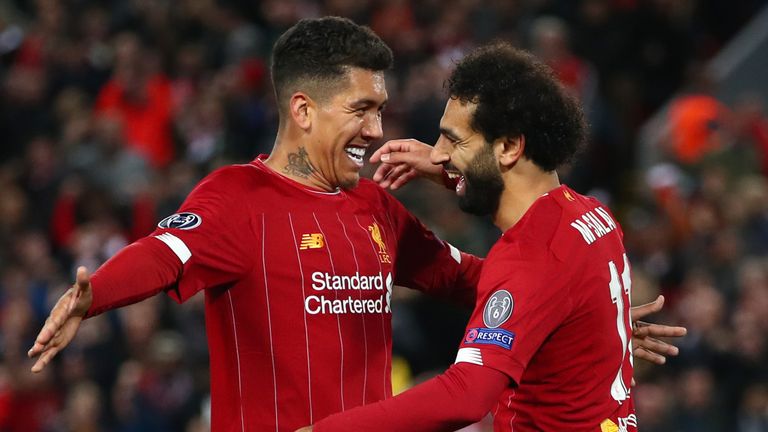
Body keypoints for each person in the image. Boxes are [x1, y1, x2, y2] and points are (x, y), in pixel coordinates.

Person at [30, 18, 681, 432]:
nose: (377, 130)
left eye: (381, 109)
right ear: (304, 110)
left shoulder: (375, 208)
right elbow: (163, 252)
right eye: (362, 109)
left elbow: (473, 280)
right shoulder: (237, 198)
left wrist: (582, 313)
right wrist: (96, 296)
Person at [301, 43, 664, 431]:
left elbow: (466, 394)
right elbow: (531, 286)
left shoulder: (531, 259)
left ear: (508, 146)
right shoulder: (592, 214)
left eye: (453, 141)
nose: (437, 154)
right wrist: (603, 325)